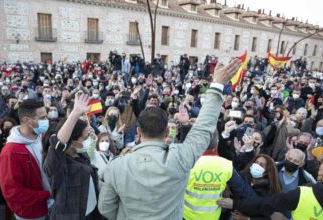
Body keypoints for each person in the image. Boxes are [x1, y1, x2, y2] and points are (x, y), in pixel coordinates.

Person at [98, 58, 242, 219]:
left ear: (138, 132)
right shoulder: (179, 158)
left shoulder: (116, 166)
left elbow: (105, 208)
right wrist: (216, 86)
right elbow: (203, 129)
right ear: (167, 132)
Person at [43, 93, 102, 219]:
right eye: (85, 137)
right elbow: (58, 145)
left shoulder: (81, 154)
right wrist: (75, 113)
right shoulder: (57, 163)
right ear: (72, 141)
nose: (88, 140)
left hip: (92, 212)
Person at [217, 158, 323, 220]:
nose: (317, 172)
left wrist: (236, 204)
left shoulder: (305, 193)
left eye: (320, 170)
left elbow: (266, 203)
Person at [0, 99, 53, 220]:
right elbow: (12, 192)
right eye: (42, 118)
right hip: (32, 212)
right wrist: (47, 195)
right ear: (27, 121)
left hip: (50, 205)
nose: (46, 121)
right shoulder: (10, 152)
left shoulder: (42, 137)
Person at [183, 132, 257, 220]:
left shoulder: (185, 162)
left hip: (186, 216)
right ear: (217, 142)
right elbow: (245, 191)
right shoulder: (226, 165)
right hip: (212, 217)